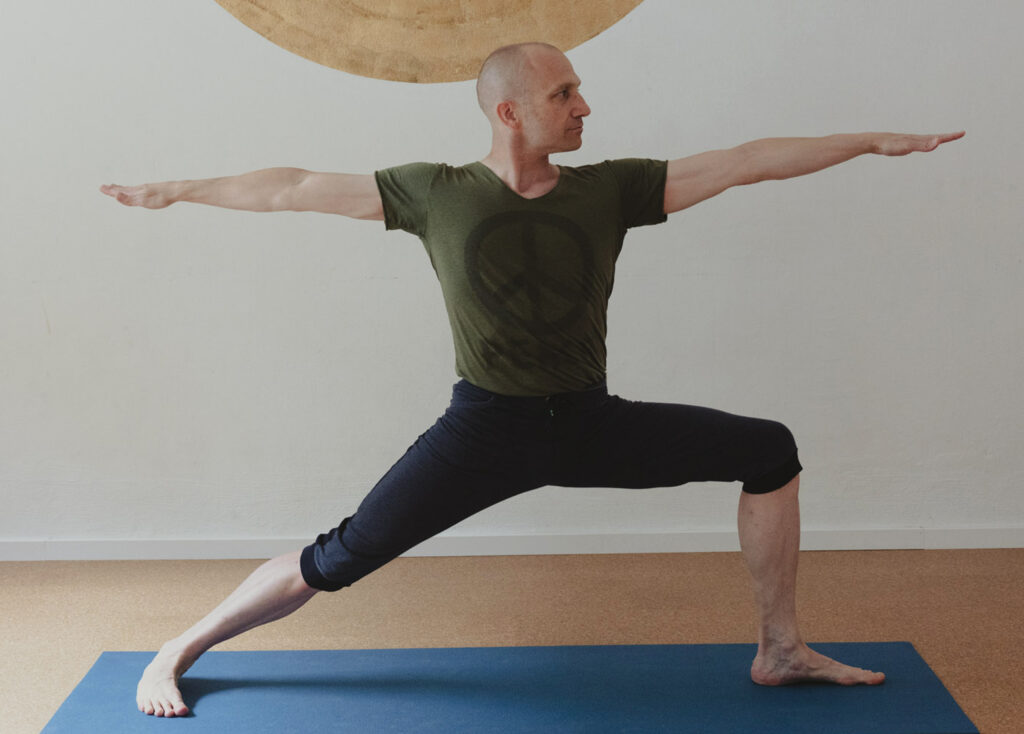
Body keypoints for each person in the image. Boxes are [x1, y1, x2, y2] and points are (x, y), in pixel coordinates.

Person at [101, 42, 963, 718]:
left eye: (581, 92)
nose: (584, 106)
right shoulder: (435, 194)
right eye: (565, 95)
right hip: (482, 432)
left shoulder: (612, 190)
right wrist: (176, 189)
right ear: (509, 110)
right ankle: (181, 646)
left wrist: (870, 141)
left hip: (589, 420)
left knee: (768, 450)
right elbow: (290, 186)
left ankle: (781, 650)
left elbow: (741, 161)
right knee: (341, 557)